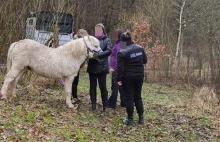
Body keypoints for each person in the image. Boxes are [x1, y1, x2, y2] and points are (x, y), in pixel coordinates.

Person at [116, 31, 147, 125]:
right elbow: (145, 60)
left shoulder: (122, 52)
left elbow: (120, 68)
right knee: (138, 96)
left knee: (129, 98)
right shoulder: (140, 48)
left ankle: (130, 119)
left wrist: (118, 79)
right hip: (139, 75)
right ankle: (141, 118)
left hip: (128, 77)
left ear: (122, 41)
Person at [87, 23, 112, 111]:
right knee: (92, 87)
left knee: (103, 87)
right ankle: (93, 104)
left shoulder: (107, 40)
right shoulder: (91, 39)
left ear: (102, 30)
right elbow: (87, 49)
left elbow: (109, 50)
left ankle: (105, 105)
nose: (97, 31)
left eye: (99, 29)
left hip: (102, 67)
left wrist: (99, 54)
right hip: (92, 66)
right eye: (96, 29)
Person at [107, 29, 126, 109]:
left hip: (118, 69)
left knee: (115, 86)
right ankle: (124, 102)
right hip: (119, 68)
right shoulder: (119, 44)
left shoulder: (121, 44)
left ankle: (112, 103)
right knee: (120, 86)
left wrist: (113, 67)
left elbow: (120, 57)